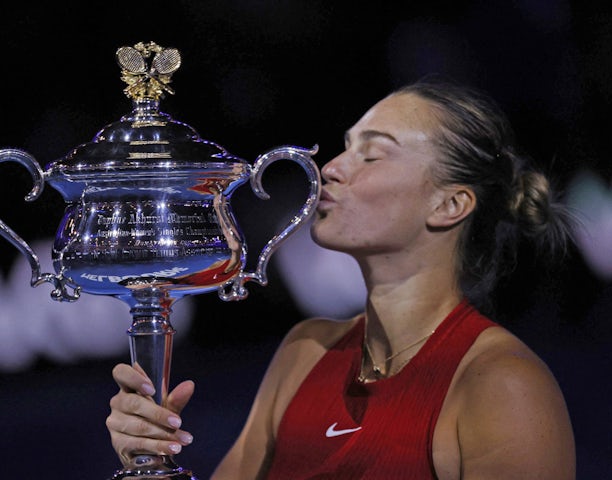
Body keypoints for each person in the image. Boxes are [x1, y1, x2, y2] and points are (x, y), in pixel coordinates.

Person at [106, 79, 576, 479]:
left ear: (449, 205)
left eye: (371, 155)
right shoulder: (303, 352)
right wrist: (146, 460)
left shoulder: (502, 387)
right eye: (347, 146)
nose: (330, 168)